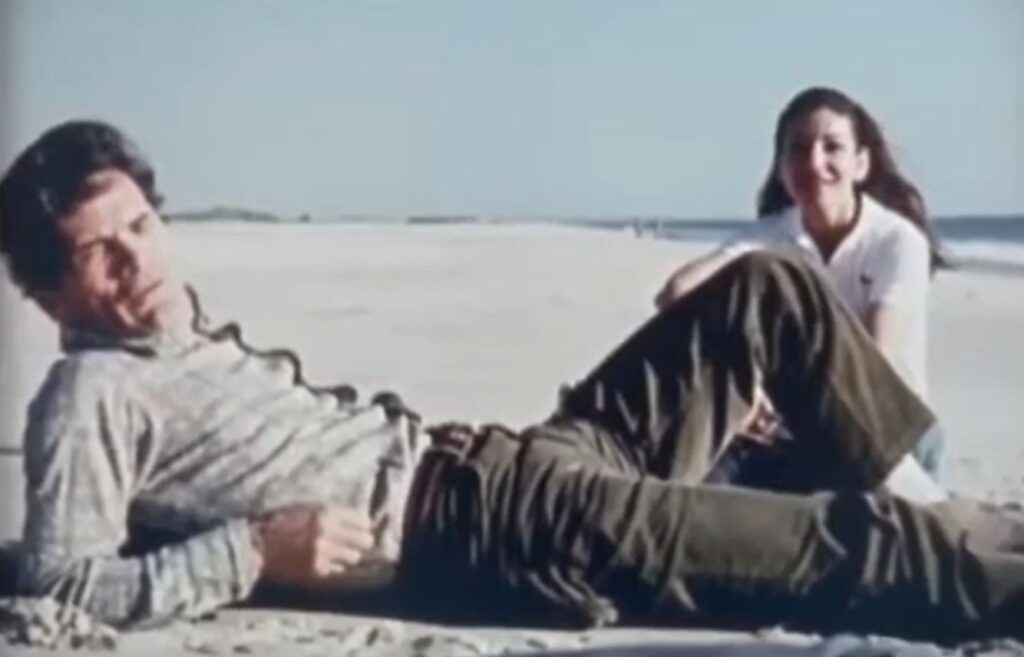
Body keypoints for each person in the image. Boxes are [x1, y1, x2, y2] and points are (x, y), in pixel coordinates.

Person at [2, 120, 1023, 643]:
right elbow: (59, 590)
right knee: (841, 545)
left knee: (768, 287)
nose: (140, 260)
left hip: (510, 459)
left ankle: (925, 494)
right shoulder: (88, 397)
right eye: (100, 255)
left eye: (140, 225)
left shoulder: (172, 340)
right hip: (491, 530)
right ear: (53, 297)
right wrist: (252, 551)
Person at [655, 87, 947, 479]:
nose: (814, 162)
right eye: (797, 149)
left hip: (890, 432)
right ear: (781, 170)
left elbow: (879, 364)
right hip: (796, 438)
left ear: (861, 164)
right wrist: (748, 395)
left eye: (832, 147)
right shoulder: (773, 237)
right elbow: (678, 292)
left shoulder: (896, 242)